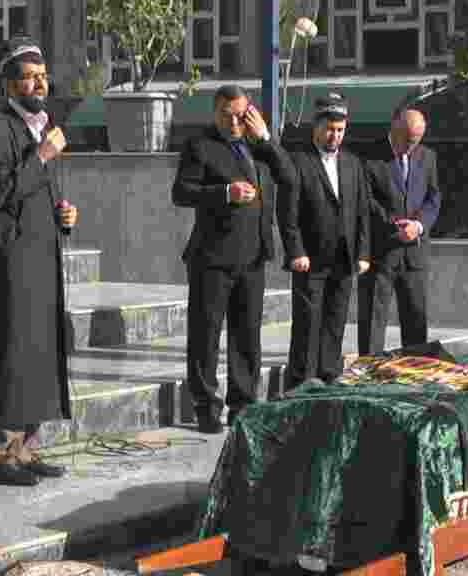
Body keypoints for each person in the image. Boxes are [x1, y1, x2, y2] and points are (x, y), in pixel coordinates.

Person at [0, 37, 78, 486]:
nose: (40, 83)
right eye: (30, 77)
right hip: (9, 259)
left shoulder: (39, 127)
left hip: (41, 254)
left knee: (36, 352)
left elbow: (33, 190)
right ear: (11, 85)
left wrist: (63, 215)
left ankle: (26, 449)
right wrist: (45, 155)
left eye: (43, 76)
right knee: (8, 350)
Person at [172, 85, 294, 434]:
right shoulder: (200, 146)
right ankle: (205, 405)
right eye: (227, 114)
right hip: (213, 256)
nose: (234, 121)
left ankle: (243, 403)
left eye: (240, 114)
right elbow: (181, 192)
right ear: (215, 112)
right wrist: (225, 192)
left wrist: (267, 139)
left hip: (253, 255)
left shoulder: (259, 146)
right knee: (206, 334)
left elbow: (289, 175)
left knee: (247, 336)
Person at [278, 93, 370, 389]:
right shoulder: (299, 160)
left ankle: (329, 378)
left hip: (344, 259)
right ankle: (301, 383)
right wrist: (295, 250)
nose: (335, 136)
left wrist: (364, 252)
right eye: (330, 129)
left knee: (335, 323)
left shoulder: (353, 163)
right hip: (310, 260)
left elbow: (362, 211)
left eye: (341, 130)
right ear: (315, 126)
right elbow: (287, 211)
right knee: (307, 325)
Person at [358, 107, 442, 356]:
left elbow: (434, 198)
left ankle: (413, 375)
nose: (411, 147)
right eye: (407, 140)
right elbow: (365, 200)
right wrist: (394, 224)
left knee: (415, 321)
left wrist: (418, 225)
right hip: (381, 253)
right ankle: (369, 371)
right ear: (394, 129)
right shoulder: (368, 157)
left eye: (416, 141)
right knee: (373, 320)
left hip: (414, 254)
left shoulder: (427, 157)